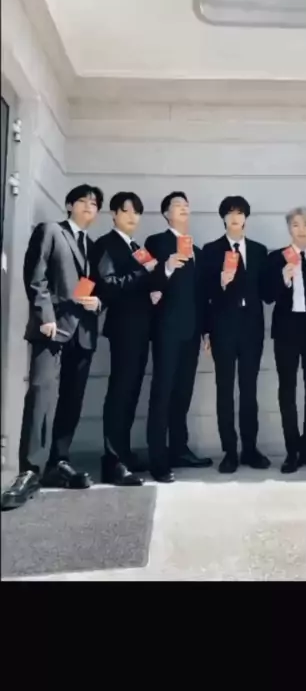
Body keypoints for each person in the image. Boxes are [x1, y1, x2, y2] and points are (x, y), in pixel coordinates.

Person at [1, 184, 104, 511]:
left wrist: (97, 303)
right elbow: (36, 275)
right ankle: (30, 470)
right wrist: (44, 316)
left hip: (83, 334)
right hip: (53, 329)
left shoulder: (91, 246)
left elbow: (95, 287)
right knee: (41, 396)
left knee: (71, 401)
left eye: (94, 204)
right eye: (83, 201)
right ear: (70, 205)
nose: (89, 207)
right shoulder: (50, 231)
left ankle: (59, 461)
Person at [91, 192, 164, 486]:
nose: (133, 217)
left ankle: (124, 453)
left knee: (131, 392)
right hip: (123, 328)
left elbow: (145, 279)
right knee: (120, 393)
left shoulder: (136, 247)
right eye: (126, 211)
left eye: (137, 212)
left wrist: (153, 286)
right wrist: (142, 273)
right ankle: (113, 461)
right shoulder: (106, 245)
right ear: (114, 214)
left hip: (141, 329)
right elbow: (108, 285)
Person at [145, 191, 212, 482]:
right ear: (165, 214)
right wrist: (168, 266)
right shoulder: (156, 242)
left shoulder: (196, 249)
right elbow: (148, 282)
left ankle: (179, 449)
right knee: (162, 392)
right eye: (177, 205)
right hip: (167, 328)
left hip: (192, 331)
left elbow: (201, 294)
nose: (184, 208)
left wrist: (206, 330)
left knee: (183, 392)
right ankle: (158, 459)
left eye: (187, 205)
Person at [203, 196, 270, 473]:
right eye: (230, 213)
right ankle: (229, 451)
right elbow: (203, 293)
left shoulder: (259, 251)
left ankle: (250, 449)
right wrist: (220, 283)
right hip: (223, 328)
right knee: (225, 390)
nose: (235, 217)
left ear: (245, 218)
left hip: (252, 329)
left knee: (249, 390)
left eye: (239, 212)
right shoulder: (211, 250)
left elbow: (267, 293)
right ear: (223, 218)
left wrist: (285, 277)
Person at [265, 207, 306, 473]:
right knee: (288, 390)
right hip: (287, 331)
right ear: (289, 229)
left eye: (305, 224)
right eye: (295, 225)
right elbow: (267, 296)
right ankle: (292, 451)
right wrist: (283, 278)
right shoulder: (276, 258)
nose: (301, 230)